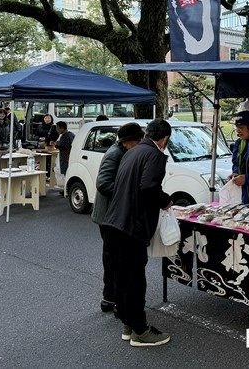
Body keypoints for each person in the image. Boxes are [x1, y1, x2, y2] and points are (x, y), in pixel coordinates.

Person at [102, 119, 172, 347]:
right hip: (131, 227)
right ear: (164, 139)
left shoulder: (130, 153)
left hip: (113, 223)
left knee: (122, 278)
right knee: (134, 279)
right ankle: (140, 330)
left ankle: (127, 324)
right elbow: (148, 187)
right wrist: (165, 200)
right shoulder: (155, 155)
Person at [91, 122, 144, 315]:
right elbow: (103, 183)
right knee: (112, 259)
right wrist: (127, 191)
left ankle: (112, 297)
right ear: (128, 141)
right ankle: (110, 298)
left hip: (114, 215)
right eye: (138, 141)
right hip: (108, 216)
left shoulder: (123, 152)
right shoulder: (114, 155)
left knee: (114, 259)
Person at [55, 121, 74, 196]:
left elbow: (63, 146)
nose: (57, 130)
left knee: (66, 174)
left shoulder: (65, 136)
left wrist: (56, 144)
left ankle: (66, 190)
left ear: (62, 128)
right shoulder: (71, 134)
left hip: (66, 157)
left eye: (58, 128)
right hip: (69, 157)